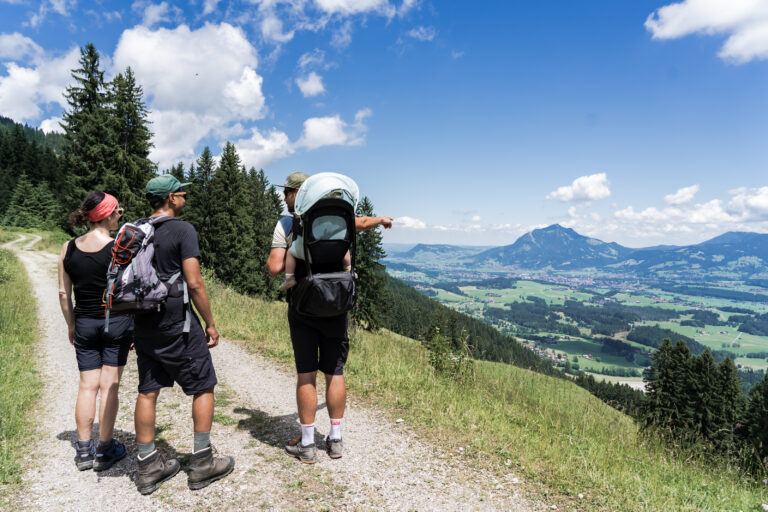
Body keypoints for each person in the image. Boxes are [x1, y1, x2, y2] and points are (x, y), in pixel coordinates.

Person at [266, 172, 393, 463]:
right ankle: (335, 439)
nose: (284, 196)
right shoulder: (336, 217)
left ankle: (308, 444)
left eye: (286, 191)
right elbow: (360, 222)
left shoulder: (288, 223)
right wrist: (380, 220)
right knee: (335, 371)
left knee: (306, 373)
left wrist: (288, 253)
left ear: (295, 192)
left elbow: (275, 268)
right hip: (336, 303)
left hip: (303, 305)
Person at [131, 174, 234, 495]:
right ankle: (202, 463)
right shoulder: (183, 230)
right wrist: (211, 324)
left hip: (143, 322)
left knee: (147, 391)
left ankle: (148, 467)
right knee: (203, 386)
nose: (185, 197)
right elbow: (195, 282)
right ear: (171, 199)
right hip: (177, 323)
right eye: (182, 193)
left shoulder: (135, 231)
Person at [58, 192, 132, 471]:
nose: (118, 217)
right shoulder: (120, 248)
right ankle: (104, 449)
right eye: (117, 213)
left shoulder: (68, 248)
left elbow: (64, 293)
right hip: (116, 322)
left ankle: (83, 450)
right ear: (108, 215)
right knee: (109, 384)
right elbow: (129, 291)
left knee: (87, 385)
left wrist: (71, 325)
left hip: (85, 323)